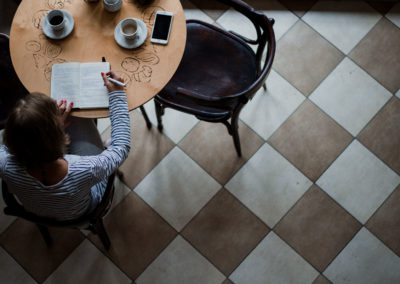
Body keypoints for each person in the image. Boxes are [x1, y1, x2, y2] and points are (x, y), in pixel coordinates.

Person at [0, 71, 130, 221]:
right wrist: (117, 96)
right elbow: (121, 148)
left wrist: (47, 130)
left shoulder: (4, 163)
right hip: (86, 209)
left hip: (38, 211)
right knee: (75, 115)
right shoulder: (87, 169)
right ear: (59, 136)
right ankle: (102, 147)